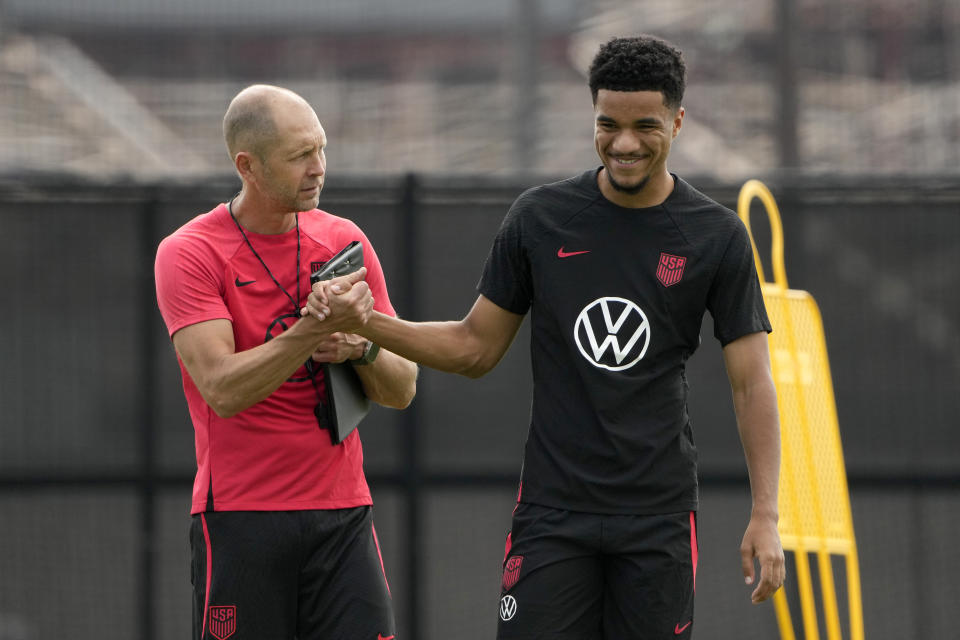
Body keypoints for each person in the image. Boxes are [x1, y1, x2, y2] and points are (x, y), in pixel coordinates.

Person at [307, 35, 785, 638]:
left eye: (646, 125)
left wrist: (765, 514)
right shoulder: (540, 217)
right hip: (553, 513)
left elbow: (751, 383)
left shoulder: (717, 236)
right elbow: (473, 348)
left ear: (679, 121)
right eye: (607, 123)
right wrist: (365, 323)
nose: (625, 143)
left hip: (659, 516)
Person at [154, 84, 417, 640]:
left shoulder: (343, 239)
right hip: (241, 518)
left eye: (320, 149)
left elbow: (402, 389)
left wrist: (360, 344)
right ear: (246, 165)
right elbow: (223, 390)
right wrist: (315, 328)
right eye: (300, 156)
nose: (318, 168)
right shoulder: (190, 252)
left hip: (344, 513)